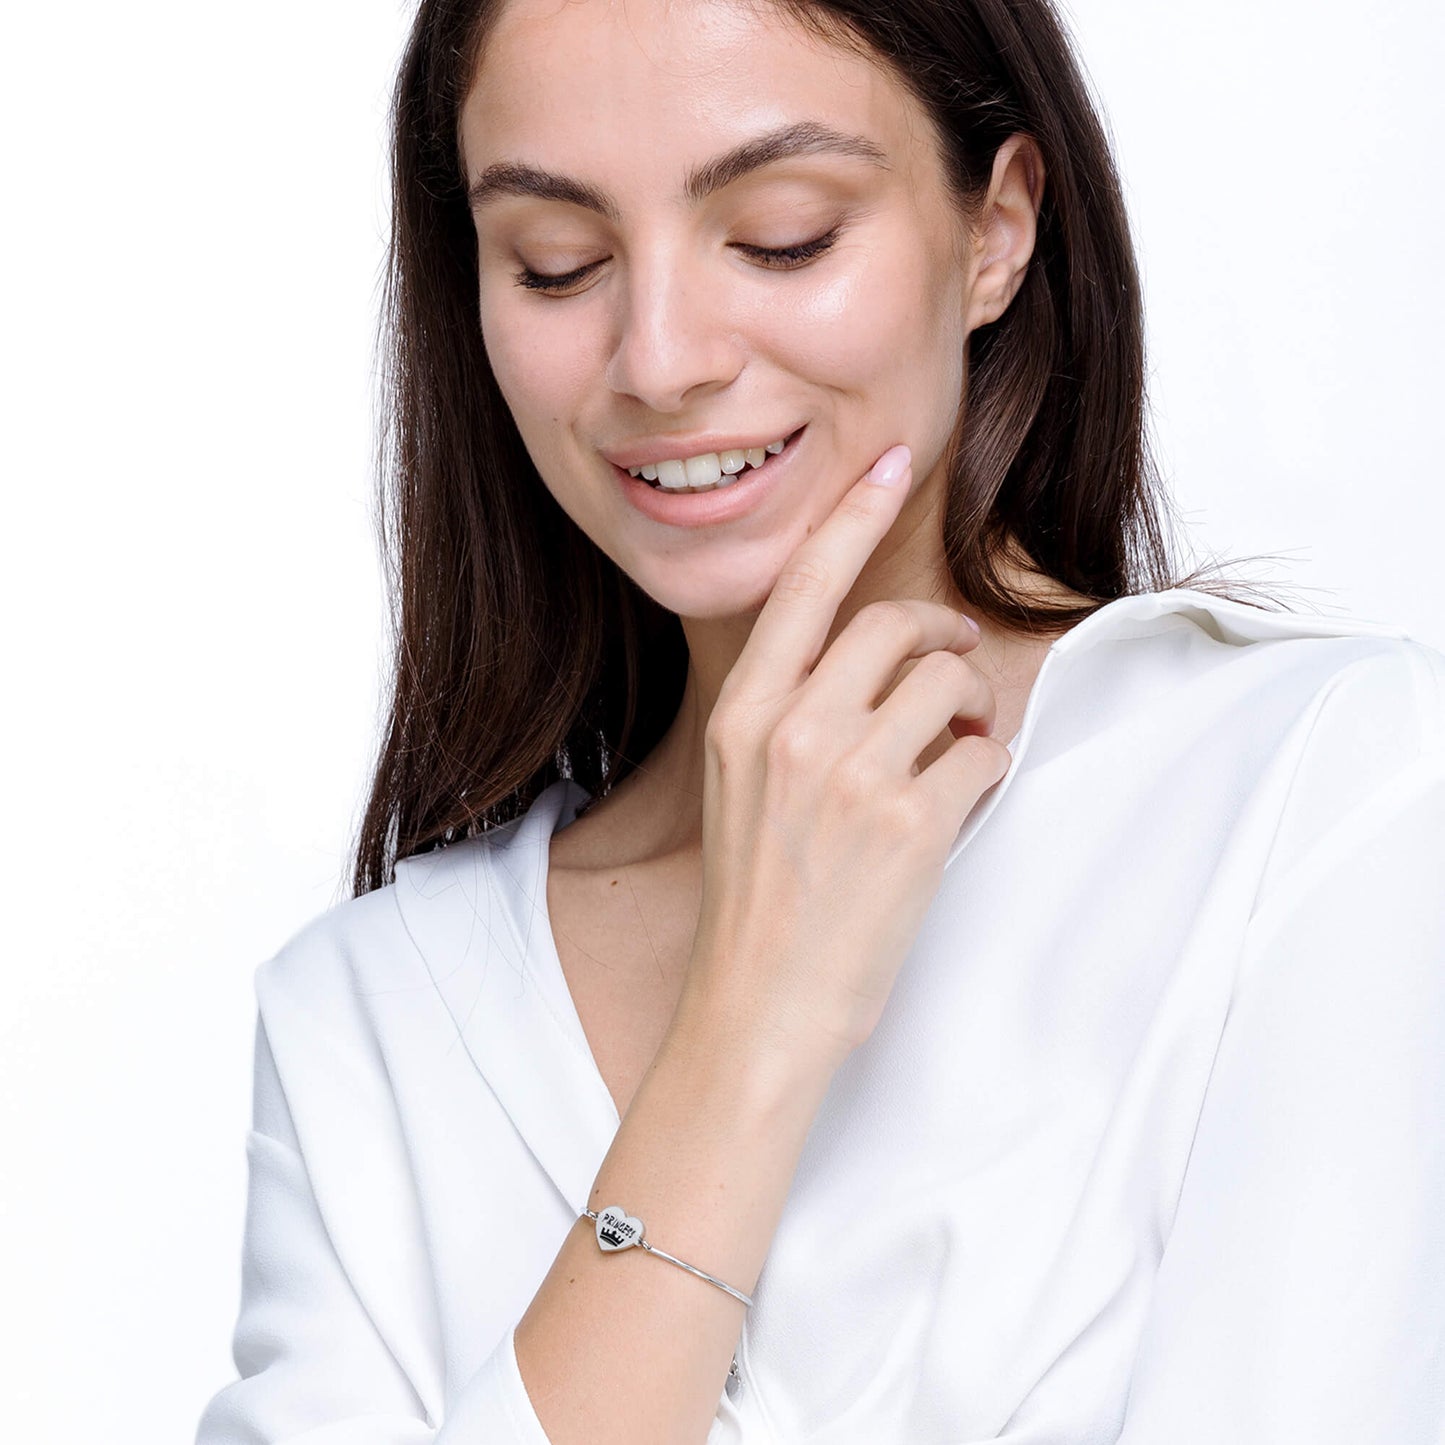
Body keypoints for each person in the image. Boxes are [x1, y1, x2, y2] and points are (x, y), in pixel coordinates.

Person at [196, 0, 1445, 1440]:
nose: (657, 358)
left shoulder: (1319, 799)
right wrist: (742, 1034)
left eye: (782, 233)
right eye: (559, 264)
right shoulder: (367, 1016)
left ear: (995, 231)